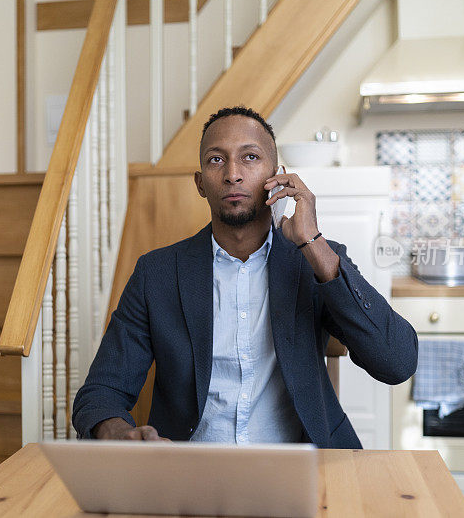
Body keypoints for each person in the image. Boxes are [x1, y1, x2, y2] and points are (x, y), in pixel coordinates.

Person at [72, 106, 418, 448]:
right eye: (216, 160)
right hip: (189, 474)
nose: (233, 174)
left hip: (298, 470)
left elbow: (396, 363)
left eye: (250, 158)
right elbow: (101, 392)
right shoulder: (157, 275)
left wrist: (314, 244)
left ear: (278, 177)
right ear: (200, 183)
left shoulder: (314, 262)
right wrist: (120, 434)